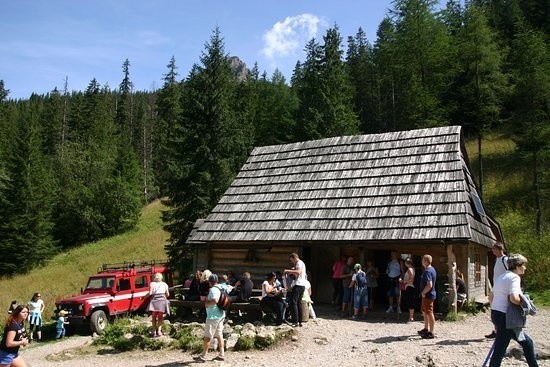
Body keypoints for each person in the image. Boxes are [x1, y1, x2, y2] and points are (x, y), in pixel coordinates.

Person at [488, 254, 538, 367]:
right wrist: (525, 303)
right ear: (517, 266)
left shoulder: (501, 277)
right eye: (523, 265)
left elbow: (491, 297)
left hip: (496, 314)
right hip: (507, 318)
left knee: (527, 343)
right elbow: (514, 298)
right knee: (500, 349)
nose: (525, 268)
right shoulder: (515, 278)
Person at [193, 274, 226, 362]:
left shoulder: (213, 289)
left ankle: (203, 356)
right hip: (221, 314)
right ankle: (221, 354)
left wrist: (207, 304)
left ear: (209, 282)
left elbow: (215, 300)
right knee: (219, 335)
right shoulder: (221, 287)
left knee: (207, 336)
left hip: (213, 316)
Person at [486, 242, 508, 339]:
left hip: (502, 287)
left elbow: (510, 273)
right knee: (493, 305)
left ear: (499, 249)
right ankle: (496, 329)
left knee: (499, 308)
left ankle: (501, 330)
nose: (493, 251)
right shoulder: (497, 259)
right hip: (496, 286)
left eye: (494, 249)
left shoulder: (505, 259)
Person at [284, 252, 307, 327]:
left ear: (295, 258)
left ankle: (295, 321)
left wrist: (288, 271)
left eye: (292, 260)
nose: (292, 262)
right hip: (302, 285)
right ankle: (300, 321)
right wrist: (292, 272)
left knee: (293, 303)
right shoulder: (300, 263)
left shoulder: (299, 263)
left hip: (298, 285)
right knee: (298, 303)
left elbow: (298, 272)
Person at [418, 254, 437, 339]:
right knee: (424, 311)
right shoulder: (432, 269)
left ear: (425, 261)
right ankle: (426, 328)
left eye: (422, 260)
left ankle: (431, 332)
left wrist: (423, 292)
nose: (422, 262)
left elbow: (429, 285)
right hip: (427, 295)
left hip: (428, 295)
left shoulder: (428, 271)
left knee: (429, 312)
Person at [148, 272, 170, 337]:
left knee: (154, 317)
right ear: (161, 278)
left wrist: (143, 297)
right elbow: (168, 294)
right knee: (160, 317)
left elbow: (150, 293)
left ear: (154, 278)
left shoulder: (152, 284)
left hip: (154, 302)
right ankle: (159, 331)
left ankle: (154, 332)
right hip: (162, 302)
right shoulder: (165, 284)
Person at [401, 258, 416, 322]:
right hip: (409, 287)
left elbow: (411, 279)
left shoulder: (410, 269)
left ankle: (411, 317)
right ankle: (411, 317)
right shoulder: (412, 268)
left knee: (410, 302)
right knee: (410, 302)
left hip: (410, 286)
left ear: (406, 263)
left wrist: (403, 281)